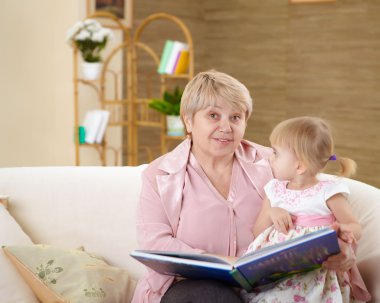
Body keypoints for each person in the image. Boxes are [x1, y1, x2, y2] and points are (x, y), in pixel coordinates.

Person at [131, 71, 356, 303]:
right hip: (189, 288)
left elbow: (317, 207)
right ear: (189, 120)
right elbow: (155, 244)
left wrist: (342, 251)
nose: (226, 127)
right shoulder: (158, 175)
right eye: (213, 115)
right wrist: (226, 262)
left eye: (236, 117)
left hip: (266, 288)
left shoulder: (276, 163)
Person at [241, 116, 371, 303]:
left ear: (299, 166)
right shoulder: (273, 190)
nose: (270, 158)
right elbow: (257, 233)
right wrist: (272, 212)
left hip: (313, 272)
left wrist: (347, 231)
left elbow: (354, 226)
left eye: (276, 153)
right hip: (276, 271)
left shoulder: (328, 191)